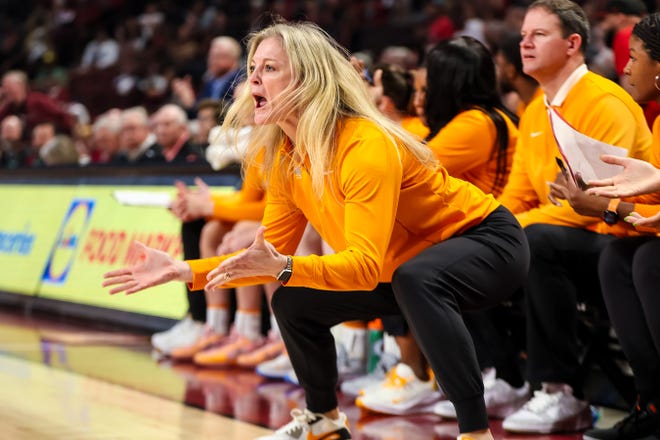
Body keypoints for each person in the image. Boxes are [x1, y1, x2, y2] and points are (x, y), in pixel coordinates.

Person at [103, 20, 530, 440]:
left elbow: (360, 266)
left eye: (270, 68)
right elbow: (264, 256)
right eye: (252, 68)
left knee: (414, 277)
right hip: (400, 268)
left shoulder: (365, 145)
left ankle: (475, 432)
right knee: (294, 301)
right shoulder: (288, 159)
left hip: (484, 242)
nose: (254, 77)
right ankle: (323, 420)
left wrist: (286, 266)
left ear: (309, 80)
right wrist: (185, 270)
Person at [495, 0, 653, 434]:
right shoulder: (533, 112)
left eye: (538, 35)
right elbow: (518, 195)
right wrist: (488, 226)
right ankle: (500, 374)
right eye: (523, 34)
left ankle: (560, 389)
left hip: (618, 233)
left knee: (538, 241)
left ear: (573, 43)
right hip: (578, 236)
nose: (524, 42)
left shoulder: (604, 102)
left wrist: (515, 229)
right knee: (468, 242)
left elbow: (595, 207)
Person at [550, 13, 660, 439]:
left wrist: (604, 208)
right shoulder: (656, 121)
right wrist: (608, 203)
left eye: (633, 58)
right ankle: (651, 402)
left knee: (649, 259)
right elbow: (652, 210)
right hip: (628, 239)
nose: (625, 68)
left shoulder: (607, 104)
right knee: (619, 258)